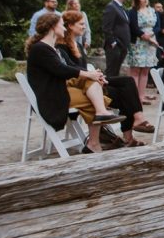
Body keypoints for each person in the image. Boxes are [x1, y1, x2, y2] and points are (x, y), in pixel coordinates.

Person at [25, 13, 122, 153]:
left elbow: (73, 67)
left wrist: (95, 75)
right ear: (52, 27)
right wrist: (89, 74)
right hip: (51, 96)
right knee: (93, 98)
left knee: (91, 83)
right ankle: (94, 141)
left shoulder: (54, 49)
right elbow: (60, 70)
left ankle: (97, 131)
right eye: (61, 25)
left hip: (61, 90)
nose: (64, 29)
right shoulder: (39, 49)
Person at [58, 10, 153, 146]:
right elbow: (72, 70)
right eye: (81, 24)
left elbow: (82, 68)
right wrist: (94, 76)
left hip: (89, 80)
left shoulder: (77, 44)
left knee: (127, 82)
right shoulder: (61, 46)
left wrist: (97, 75)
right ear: (71, 26)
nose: (84, 27)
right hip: (82, 85)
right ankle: (132, 131)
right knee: (125, 92)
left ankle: (136, 121)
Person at [126, 0, 160, 104]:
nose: (146, 0)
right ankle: (134, 97)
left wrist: (151, 35)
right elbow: (133, 27)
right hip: (138, 42)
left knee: (146, 70)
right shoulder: (132, 11)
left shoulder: (152, 11)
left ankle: (142, 95)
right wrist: (145, 36)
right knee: (135, 70)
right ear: (137, 0)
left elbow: (157, 26)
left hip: (150, 43)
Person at [102, 0, 131, 78]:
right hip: (115, 47)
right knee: (111, 72)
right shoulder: (111, 7)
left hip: (122, 46)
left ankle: (113, 92)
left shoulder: (121, 7)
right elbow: (106, 27)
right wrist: (113, 43)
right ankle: (107, 92)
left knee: (116, 72)